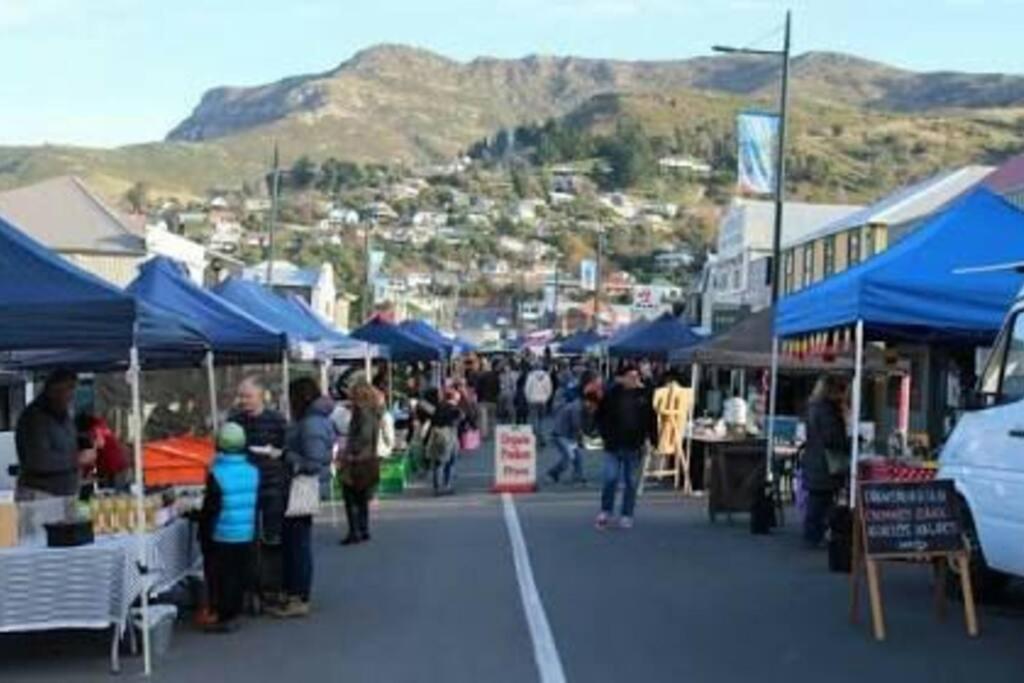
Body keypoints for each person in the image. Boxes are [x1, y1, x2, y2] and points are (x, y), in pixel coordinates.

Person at [269, 377, 334, 619]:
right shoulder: (315, 421)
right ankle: (294, 592)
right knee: (296, 541)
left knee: (298, 543)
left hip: (302, 488)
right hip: (302, 487)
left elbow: (312, 463)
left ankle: (299, 595)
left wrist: (285, 455)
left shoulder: (310, 424)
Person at [228, 376, 288, 608]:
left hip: (272, 484)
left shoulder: (277, 420)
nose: (244, 401)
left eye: (248, 396)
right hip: (244, 488)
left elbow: (287, 448)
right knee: (246, 540)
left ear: (261, 396)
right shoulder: (234, 422)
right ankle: (249, 588)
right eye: (241, 396)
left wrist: (277, 453)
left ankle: (273, 587)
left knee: (273, 538)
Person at [199, 422, 259, 633]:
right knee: (239, 572)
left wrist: (202, 530)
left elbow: (210, 509)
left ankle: (223, 614)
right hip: (246, 531)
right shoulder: (253, 471)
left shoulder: (216, 473)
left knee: (222, 576)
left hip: (223, 532)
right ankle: (236, 610)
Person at [15, 369, 95, 500]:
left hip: (65, 493)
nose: (72, 395)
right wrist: (77, 459)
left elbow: (68, 443)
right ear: (53, 389)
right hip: (40, 494)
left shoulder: (64, 414)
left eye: (74, 388)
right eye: (69, 388)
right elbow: (39, 460)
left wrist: (86, 443)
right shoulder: (34, 418)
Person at [595, 365, 657, 530]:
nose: (634, 379)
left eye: (636, 376)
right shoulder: (611, 394)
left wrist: (653, 439)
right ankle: (605, 511)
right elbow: (599, 415)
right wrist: (604, 435)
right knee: (610, 478)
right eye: (630, 376)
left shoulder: (644, 395)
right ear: (621, 378)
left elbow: (651, 419)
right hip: (613, 444)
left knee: (631, 482)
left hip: (634, 444)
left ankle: (626, 514)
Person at [802, 374, 850, 548]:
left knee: (817, 500)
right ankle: (815, 535)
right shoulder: (828, 410)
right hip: (826, 462)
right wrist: (848, 442)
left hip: (814, 458)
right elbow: (832, 438)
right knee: (822, 500)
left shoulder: (813, 407)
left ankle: (813, 534)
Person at [337, 381, 382, 545]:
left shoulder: (362, 412)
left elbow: (363, 435)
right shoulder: (374, 411)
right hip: (369, 458)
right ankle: (363, 528)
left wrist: (350, 452)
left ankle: (355, 530)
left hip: (358, 459)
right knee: (362, 496)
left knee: (351, 496)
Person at [546, 394, 595, 485]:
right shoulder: (576, 408)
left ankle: (577, 476)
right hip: (561, 435)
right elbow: (576, 425)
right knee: (569, 457)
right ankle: (553, 472)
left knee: (577, 457)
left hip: (567, 435)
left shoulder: (578, 406)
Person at [76, 413, 131, 491]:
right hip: (118, 464)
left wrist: (86, 471)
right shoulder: (102, 426)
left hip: (113, 467)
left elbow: (95, 451)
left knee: (114, 495)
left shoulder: (95, 430)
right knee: (115, 492)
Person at [427, 387, 463, 495]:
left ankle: (436, 488)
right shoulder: (455, 409)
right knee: (450, 462)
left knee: (438, 462)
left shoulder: (436, 407)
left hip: (436, 434)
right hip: (449, 436)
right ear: (453, 398)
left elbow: (431, 419)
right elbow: (461, 421)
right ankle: (447, 485)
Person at [525, 363, 554, 445]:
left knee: (533, 418)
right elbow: (549, 389)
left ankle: (535, 435)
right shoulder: (546, 376)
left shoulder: (530, 376)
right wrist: (546, 398)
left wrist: (528, 398)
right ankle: (541, 437)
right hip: (542, 401)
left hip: (532, 400)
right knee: (541, 420)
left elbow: (527, 388)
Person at [475, 362, 500, 439]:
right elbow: (498, 389)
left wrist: (479, 396)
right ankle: (492, 433)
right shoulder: (496, 377)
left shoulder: (480, 376)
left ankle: (484, 435)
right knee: (492, 417)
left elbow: (477, 389)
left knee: (483, 419)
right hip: (493, 400)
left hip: (482, 400)